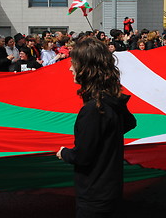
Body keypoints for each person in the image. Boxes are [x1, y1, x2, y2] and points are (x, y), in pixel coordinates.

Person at [56, 37, 137, 218]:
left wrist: (64, 153)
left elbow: (83, 156)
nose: (70, 68)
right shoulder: (111, 99)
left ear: (86, 68)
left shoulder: (93, 110)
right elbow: (130, 122)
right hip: (111, 188)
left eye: (73, 63)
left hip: (94, 195)